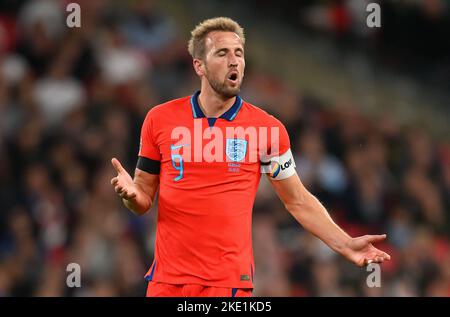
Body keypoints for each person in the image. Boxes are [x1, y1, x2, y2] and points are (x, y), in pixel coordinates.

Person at [110, 17, 390, 297]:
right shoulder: (159, 120)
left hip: (227, 283)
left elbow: (298, 200)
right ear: (200, 66)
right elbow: (143, 199)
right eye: (222, 53)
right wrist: (130, 195)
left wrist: (344, 243)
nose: (234, 61)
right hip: (167, 281)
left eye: (239, 53)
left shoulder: (267, 130)